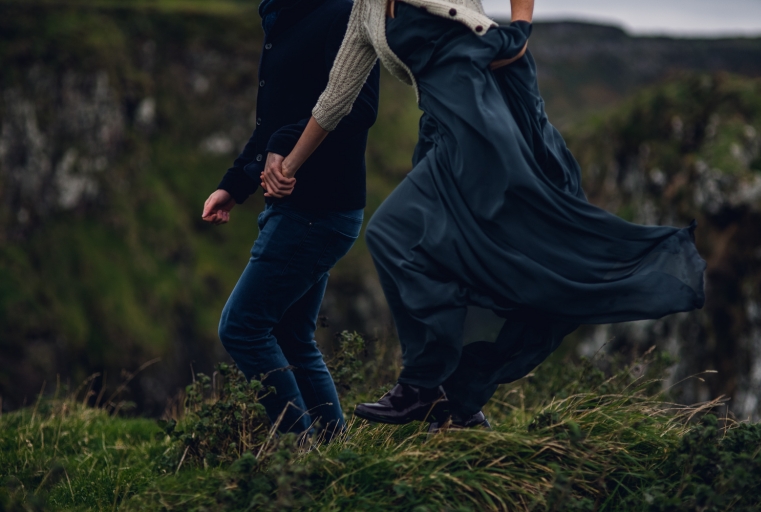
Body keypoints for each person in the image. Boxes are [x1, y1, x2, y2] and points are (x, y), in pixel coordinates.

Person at [261, 0, 706, 431]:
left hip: (481, 107)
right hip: (442, 123)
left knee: (393, 233)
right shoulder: (365, 13)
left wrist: (522, 27)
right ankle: (458, 399)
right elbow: (334, 99)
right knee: (439, 248)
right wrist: (288, 166)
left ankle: (423, 384)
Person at [201, 0, 380, 439]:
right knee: (292, 336)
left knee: (242, 327)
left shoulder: (341, 13)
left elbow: (359, 106)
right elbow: (273, 122)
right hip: (298, 208)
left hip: (320, 210)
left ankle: (298, 453)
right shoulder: (283, 17)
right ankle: (333, 453)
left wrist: (284, 144)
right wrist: (235, 184)